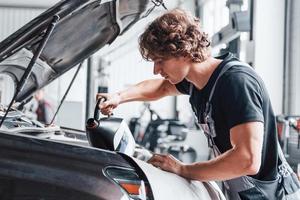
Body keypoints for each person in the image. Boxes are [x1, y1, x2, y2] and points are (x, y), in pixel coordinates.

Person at [96, 9, 300, 199]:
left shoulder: (236, 82)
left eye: (160, 60)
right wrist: (119, 97)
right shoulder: (194, 83)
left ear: (184, 51)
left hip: (274, 194)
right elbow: (161, 88)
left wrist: (183, 169)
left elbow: (246, 160)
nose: (156, 69)